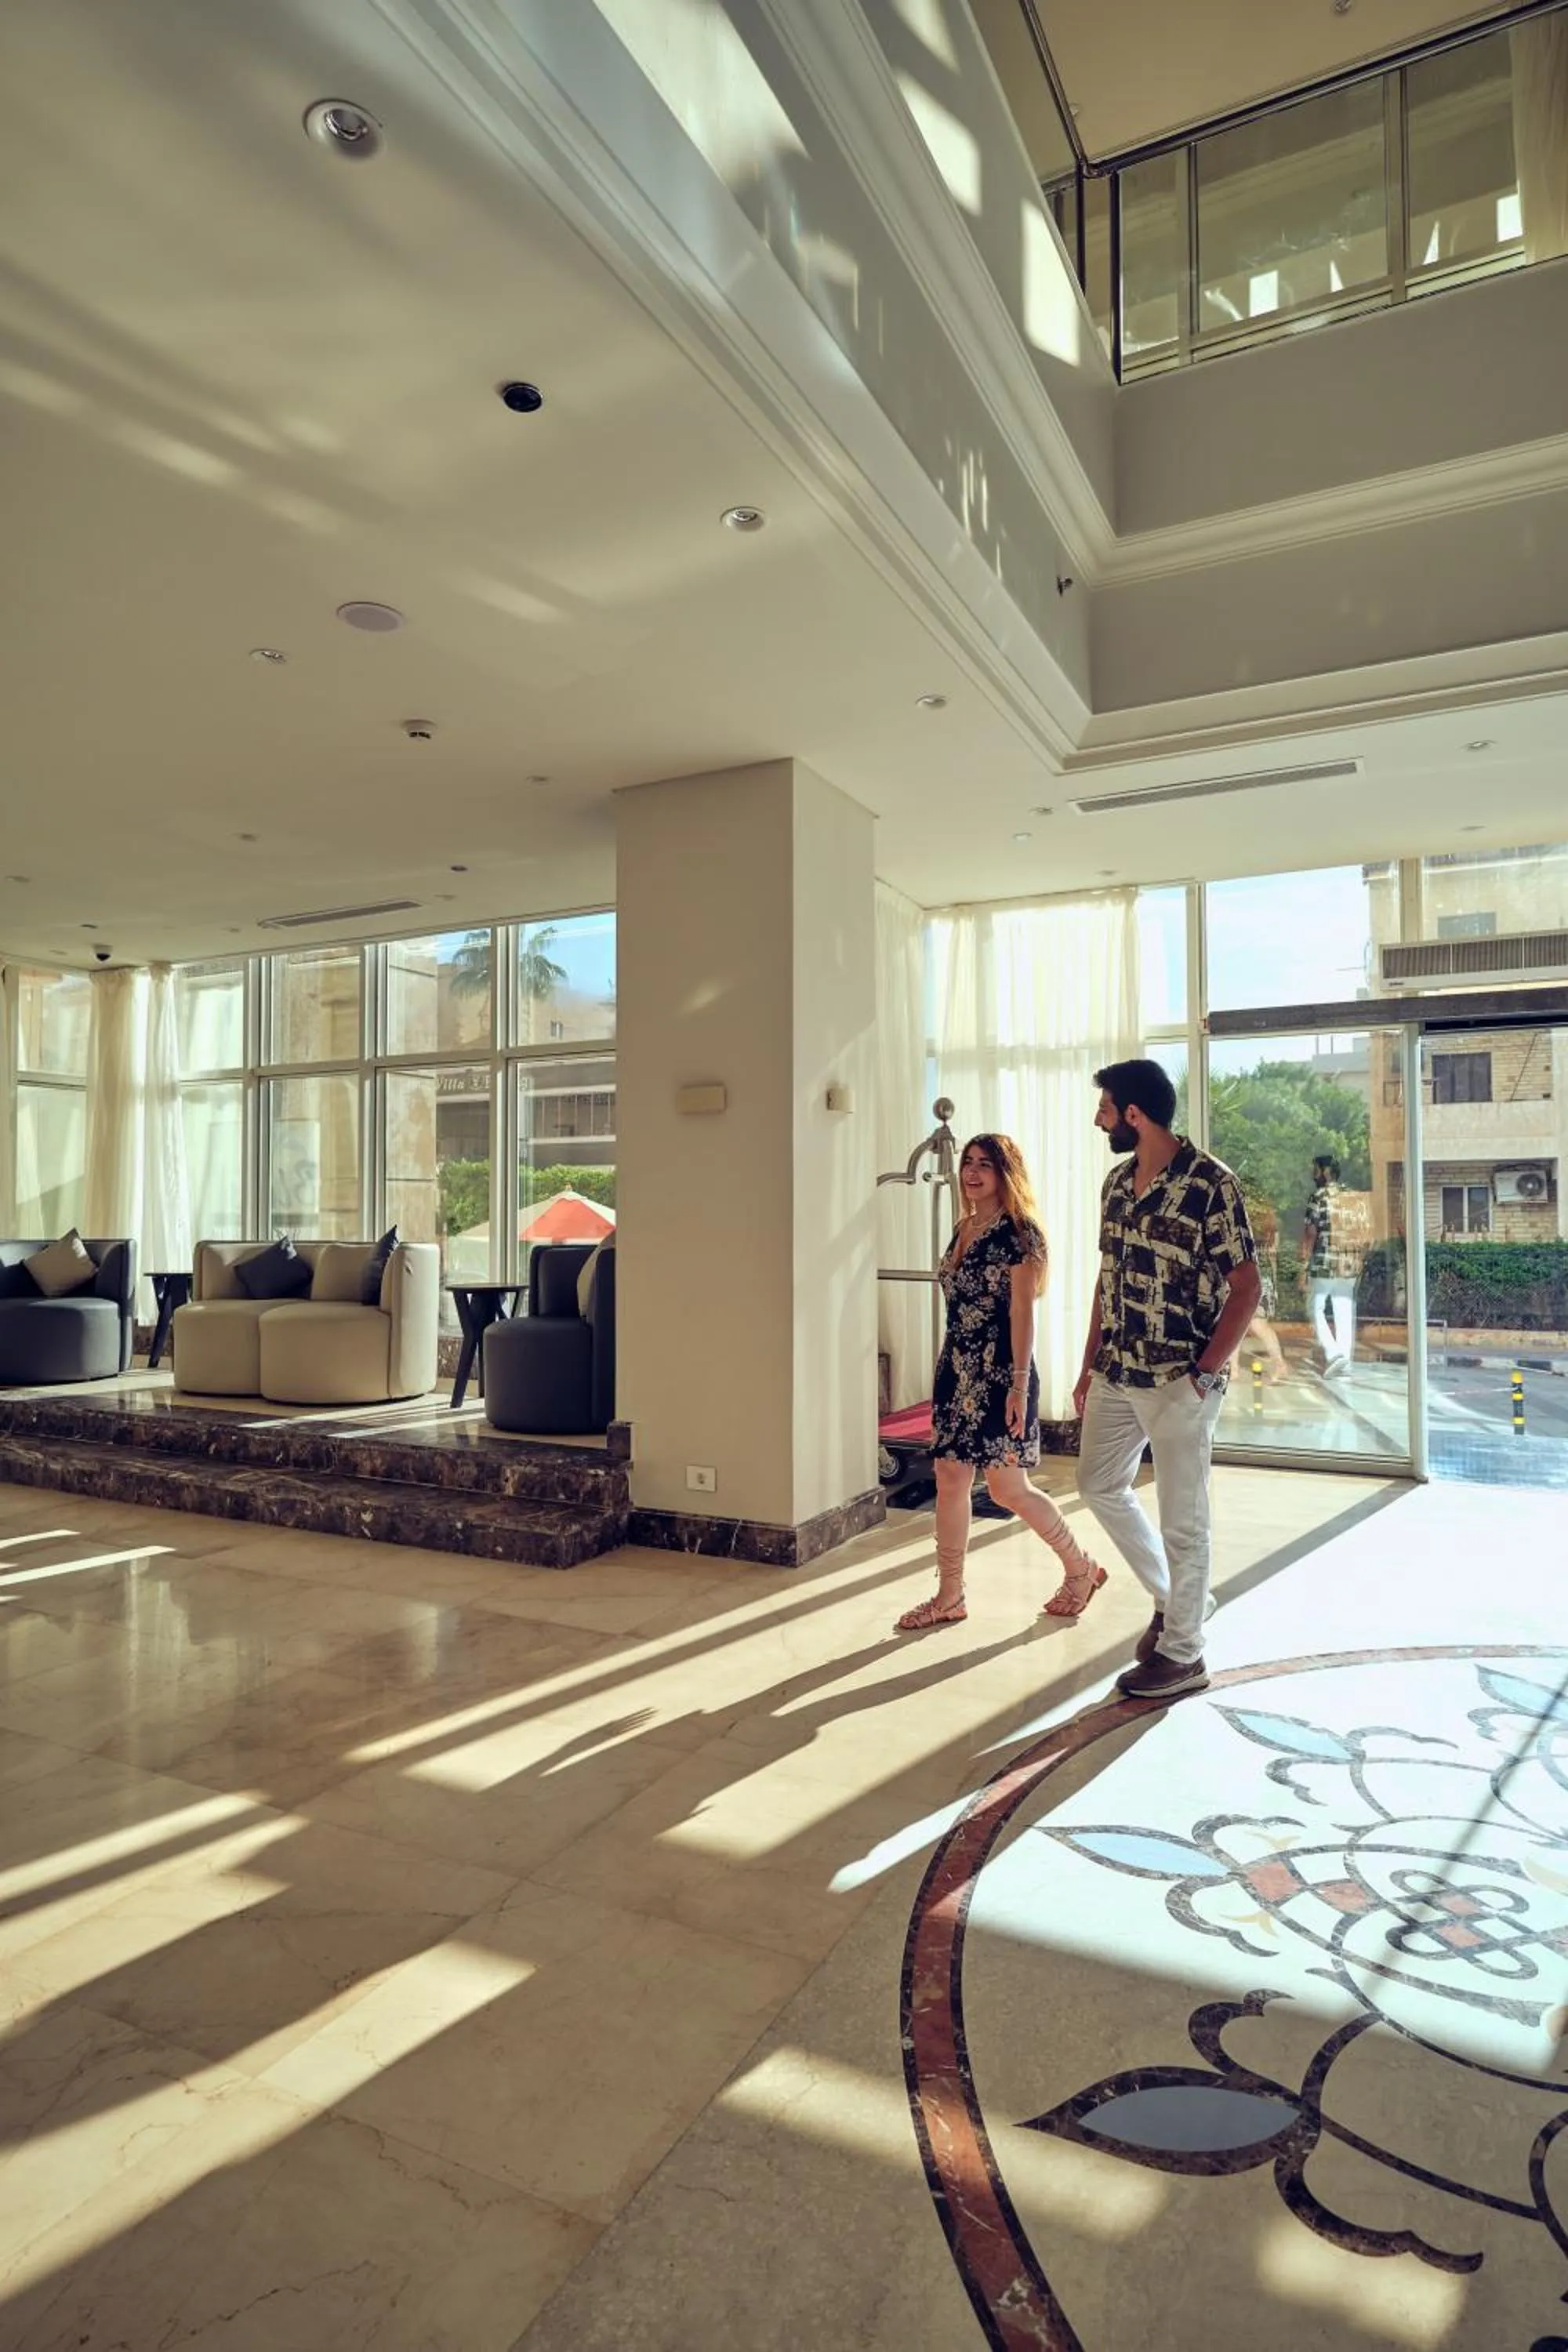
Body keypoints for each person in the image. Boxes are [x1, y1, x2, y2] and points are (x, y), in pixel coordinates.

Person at [1073, 1059, 1261, 1702]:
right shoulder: (1116, 1185)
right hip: (1117, 1370)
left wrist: (1204, 1374)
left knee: (1184, 1518)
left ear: (1134, 1114)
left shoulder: (1212, 1184)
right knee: (1098, 1483)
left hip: (1182, 1376)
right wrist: (1086, 1363)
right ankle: (1177, 1599)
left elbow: (1247, 1288)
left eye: (1106, 1107)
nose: (1099, 1118)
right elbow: (1108, 1278)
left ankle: (1184, 1653)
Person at [896, 1133, 1105, 1633]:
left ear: (1004, 1173)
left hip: (1000, 1372)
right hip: (956, 1370)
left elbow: (1021, 1313)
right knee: (949, 1478)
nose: (972, 1172)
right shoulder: (963, 1227)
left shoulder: (1020, 1233)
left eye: (984, 1164)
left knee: (1008, 1487)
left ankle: (1080, 1567)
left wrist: (1017, 1385)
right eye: (968, 1163)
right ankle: (950, 1594)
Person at [1301, 1152, 1357, 1376]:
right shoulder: (1350, 1195)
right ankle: (1344, 1360)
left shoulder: (1318, 1197)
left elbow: (1311, 1232)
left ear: (1324, 1172)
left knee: (1314, 1307)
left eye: (1315, 1169)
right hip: (1349, 1261)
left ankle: (1333, 1354)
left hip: (1325, 1261)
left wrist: (1304, 1263)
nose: (1312, 1174)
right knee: (1344, 1310)